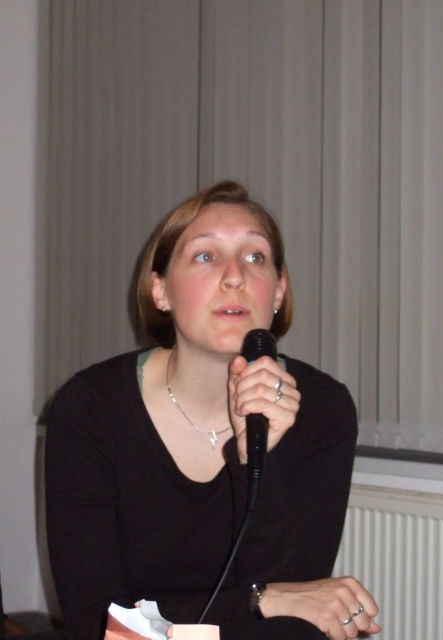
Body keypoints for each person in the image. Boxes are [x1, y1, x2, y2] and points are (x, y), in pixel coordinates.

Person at [45, 180, 380, 640]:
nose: (235, 276)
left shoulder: (323, 409)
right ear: (160, 291)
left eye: (255, 257)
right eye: (205, 256)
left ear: (278, 292)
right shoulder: (91, 408)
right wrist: (260, 601)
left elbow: (294, 616)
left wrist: (257, 455)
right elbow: (96, 622)